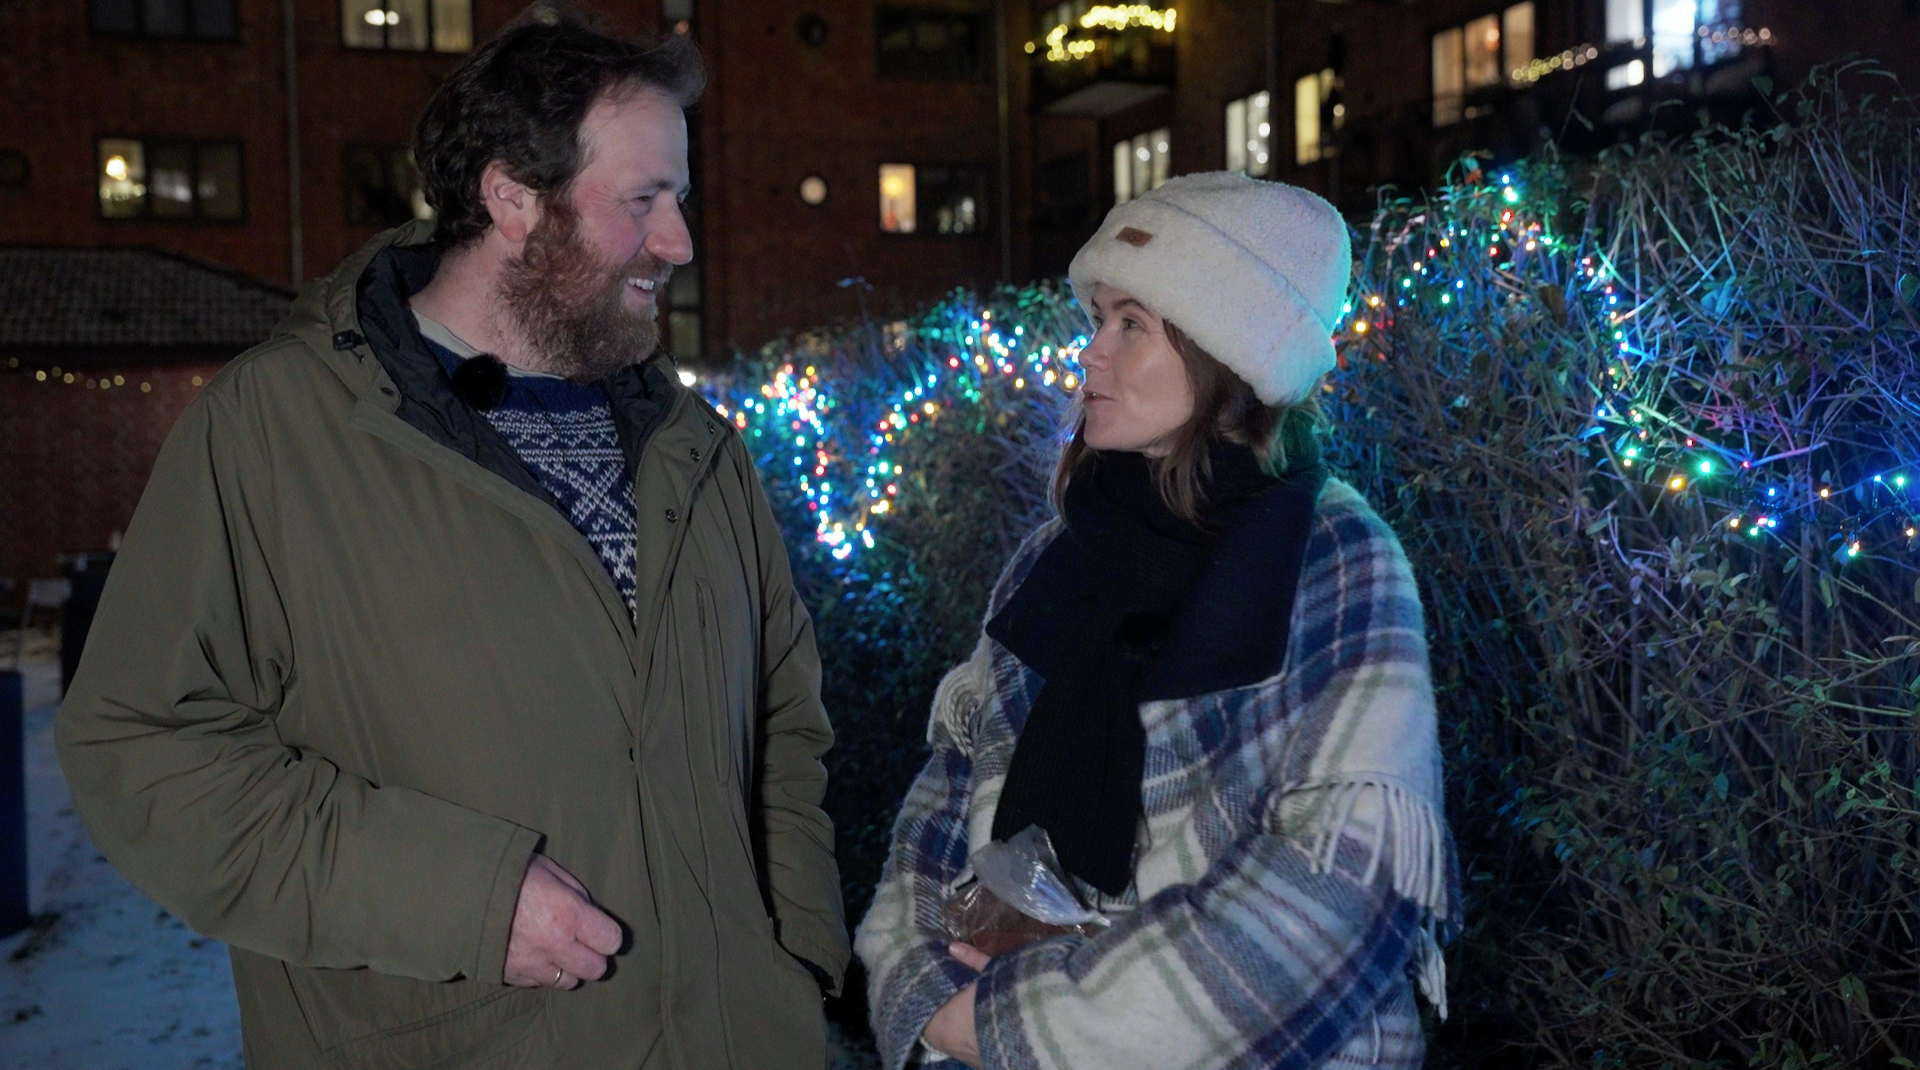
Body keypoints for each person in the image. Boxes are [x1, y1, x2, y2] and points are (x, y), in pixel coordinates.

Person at [55, 7, 847, 1068]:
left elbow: (783, 728)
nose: (680, 242)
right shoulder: (278, 429)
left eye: (681, 199)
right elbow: (143, 744)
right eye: (643, 200)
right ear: (511, 197)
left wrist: (795, 955)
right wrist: (456, 897)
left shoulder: (697, 447)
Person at [854, 172, 1458, 1069]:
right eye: (1098, 319)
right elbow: (945, 797)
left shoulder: (1333, 563)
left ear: (1228, 354)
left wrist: (1008, 1027)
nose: (1091, 355)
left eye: (1131, 324)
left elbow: (1338, 891)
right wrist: (920, 988)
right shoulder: (1057, 557)